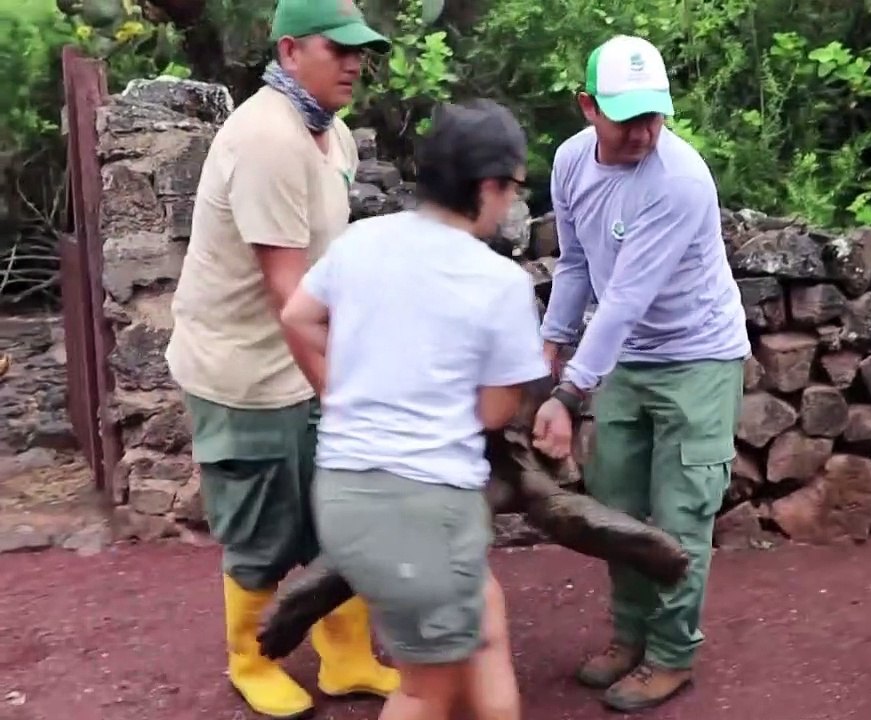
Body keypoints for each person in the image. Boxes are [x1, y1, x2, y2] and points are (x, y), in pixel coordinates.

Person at [163, 0, 399, 716]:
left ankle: (346, 656)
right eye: (340, 49)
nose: (357, 62)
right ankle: (253, 658)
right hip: (245, 374)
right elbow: (288, 291)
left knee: (341, 519)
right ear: (291, 51)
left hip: (300, 362)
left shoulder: (333, 139)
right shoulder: (266, 139)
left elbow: (330, 265)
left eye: (364, 50)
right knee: (261, 529)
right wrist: (346, 395)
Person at [279, 98, 547, 720]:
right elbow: (490, 413)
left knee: (485, 627)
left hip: (346, 496)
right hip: (426, 509)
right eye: (511, 188)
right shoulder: (499, 283)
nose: (510, 203)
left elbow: (298, 316)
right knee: (426, 690)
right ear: (487, 185)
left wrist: (346, 389)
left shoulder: (361, 241)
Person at [531, 34, 752, 713]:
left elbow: (626, 298)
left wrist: (569, 392)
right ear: (588, 107)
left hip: (699, 358)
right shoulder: (571, 161)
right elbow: (574, 265)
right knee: (617, 507)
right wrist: (551, 349)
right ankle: (628, 638)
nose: (646, 131)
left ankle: (671, 655)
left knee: (681, 517)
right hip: (627, 361)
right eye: (629, 117)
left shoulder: (679, 179)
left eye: (655, 114)